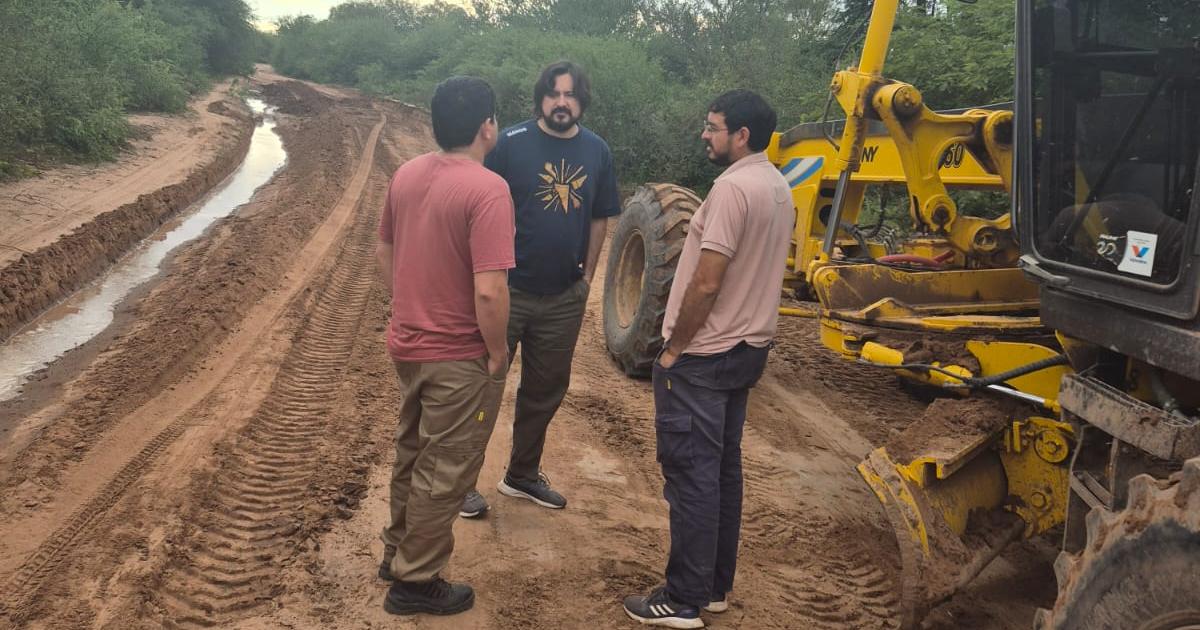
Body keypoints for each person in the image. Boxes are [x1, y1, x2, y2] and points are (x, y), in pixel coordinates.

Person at [621, 90, 793, 628]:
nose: (705, 134)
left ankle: (683, 600)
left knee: (692, 476)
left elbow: (707, 281)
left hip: (704, 353)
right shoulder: (777, 186)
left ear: (741, 135)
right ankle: (713, 587)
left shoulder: (731, 190)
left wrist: (672, 348)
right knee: (720, 473)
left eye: (713, 127)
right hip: (747, 351)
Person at [374, 76, 514, 616]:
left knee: (412, 452)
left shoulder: (407, 174)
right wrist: (496, 351)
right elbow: (489, 288)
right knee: (446, 468)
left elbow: (384, 251)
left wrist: (410, 306)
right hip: (456, 354)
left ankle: (396, 553)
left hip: (407, 345)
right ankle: (415, 581)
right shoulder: (488, 189)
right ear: (486, 126)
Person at [459, 60, 621, 518]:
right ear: (541, 100)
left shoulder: (598, 151)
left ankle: (522, 475)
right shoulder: (509, 144)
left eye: (570, 94)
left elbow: (599, 215)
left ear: (581, 101)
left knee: (544, 390)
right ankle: (461, 483)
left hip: (563, 297)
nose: (562, 102)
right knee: (482, 386)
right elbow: (474, 201)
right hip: (507, 291)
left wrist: (587, 277)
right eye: (553, 94)